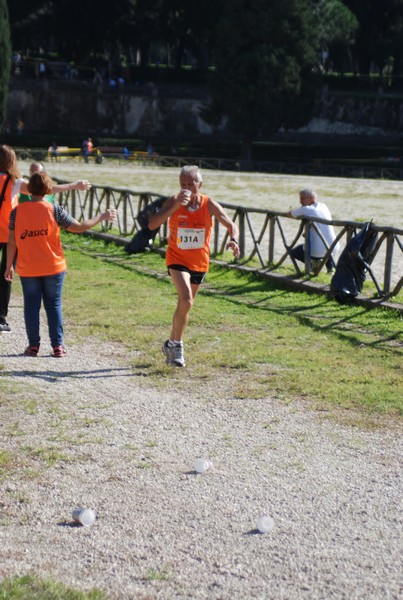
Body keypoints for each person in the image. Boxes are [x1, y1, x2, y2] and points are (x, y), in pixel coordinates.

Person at [5, 171, 117, 357]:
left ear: (29, 190)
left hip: (27, 267)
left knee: (31, 306)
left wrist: (9, 265)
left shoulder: (16, 212)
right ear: (48, 189)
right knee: (53, 304)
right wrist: (101, 216)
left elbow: (11, 242)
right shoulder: (55, 210)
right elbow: (79, 228)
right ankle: (58, 346)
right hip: (53, 266)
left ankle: (33, 346)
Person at [148, 165, 240, 367]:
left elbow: (230, 223)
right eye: (183, 184)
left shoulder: (209, 204)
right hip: (176, 259)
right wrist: (174, 207)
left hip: (199, 262)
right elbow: (152, 224)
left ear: (200, 183)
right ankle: (178, 346)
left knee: (184, 305)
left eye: (191, 184)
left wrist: (234, 239)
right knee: (186, 299)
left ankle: (170, 343)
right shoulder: (173, 201)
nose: (187, 188)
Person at [0, 144, 91, 333]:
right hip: (9, 234)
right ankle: (1, 318)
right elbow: (45, 189)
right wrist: (74, 185)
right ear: (11, 161)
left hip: (8, 234)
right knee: (5, 276)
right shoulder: (15, 182)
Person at [287, 188, 340, 274]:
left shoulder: (307, 209)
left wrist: (301, 209)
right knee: (326, 243)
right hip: (334, 247)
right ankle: (330, 268)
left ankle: (311, 265)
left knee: (293, 252)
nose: (300, 201)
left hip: (318, 250)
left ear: (311, 198)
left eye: (303, 198)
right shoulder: (324, 206)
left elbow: (289, 214)